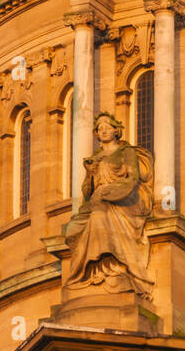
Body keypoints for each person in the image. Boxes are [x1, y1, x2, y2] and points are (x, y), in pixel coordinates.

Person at [64, 112, 154, 298]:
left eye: (107, 127)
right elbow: (87, 193)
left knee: (99, 217)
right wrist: (89, 173)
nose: (103, 131)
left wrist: (111, 192)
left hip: (123, 199)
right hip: (97, 202)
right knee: (72, 229)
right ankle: (90, 272)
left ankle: (113, 269)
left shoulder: (125, 152)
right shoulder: (95, 158)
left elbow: (133, 178)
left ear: (116, 131)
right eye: (100, 128)